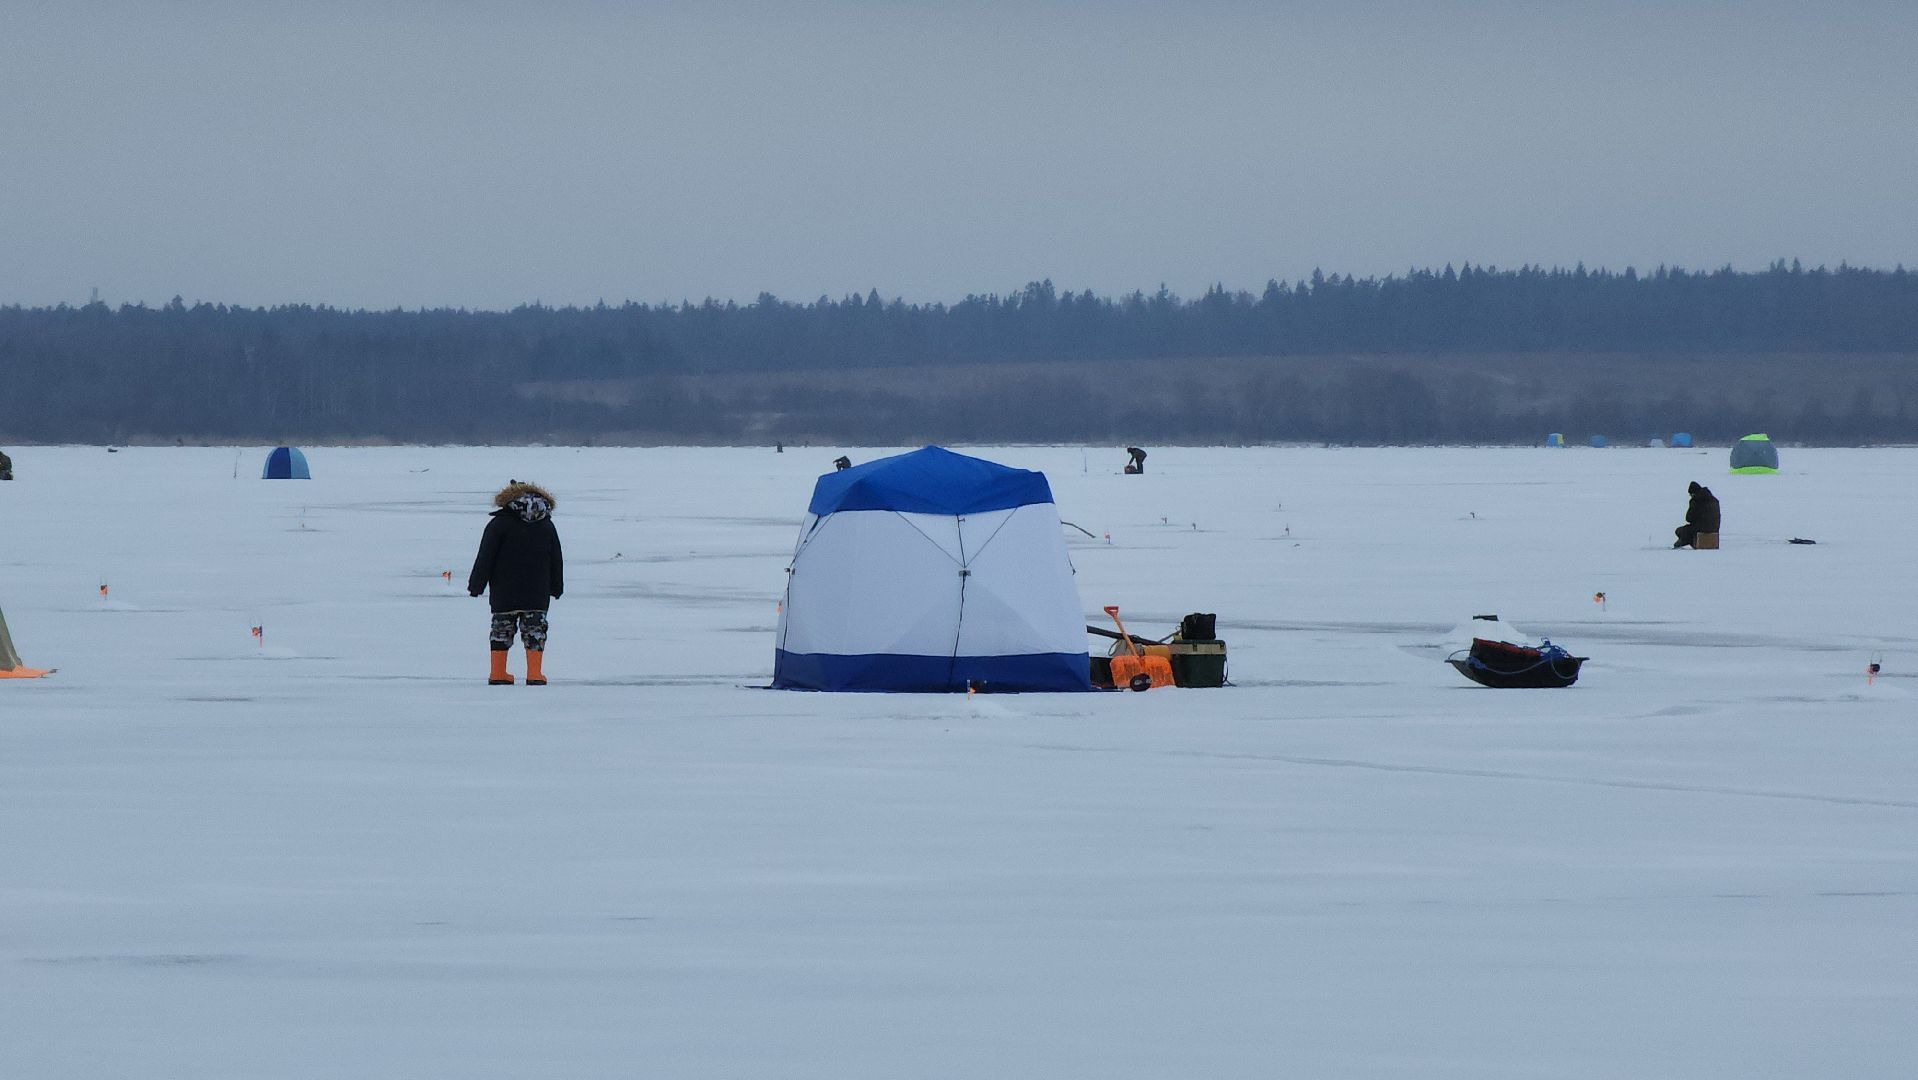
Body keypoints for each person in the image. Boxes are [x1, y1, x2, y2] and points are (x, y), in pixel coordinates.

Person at [468, 480, 564, 685]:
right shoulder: (546, 524)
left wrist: (476, 585)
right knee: (535, 631)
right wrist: (557, 587)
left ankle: (498, 673)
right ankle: (535, 674)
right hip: (536, 591)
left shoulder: (499, 524)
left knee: (501, 631)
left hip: (504, 591)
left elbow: (485, 556)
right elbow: (556, 559)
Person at [1673, 481, 1720, 548]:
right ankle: (1691, 541)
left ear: (1693, 493)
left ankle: (1690, 542)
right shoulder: (1714, 500)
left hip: (1701, 529)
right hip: (1714, 529)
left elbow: (1689, 518)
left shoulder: (1696, 500)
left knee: (1679, 531)